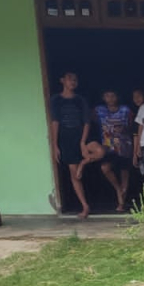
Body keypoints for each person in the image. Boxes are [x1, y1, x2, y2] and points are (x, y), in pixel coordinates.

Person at [48, 71, 102, 219]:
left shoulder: (80, 100)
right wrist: (55, 144)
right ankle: (85, 206)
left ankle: (83, 163)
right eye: (69, 79)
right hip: (66, 139)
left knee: (99, 151)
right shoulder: (56, 100)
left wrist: (83, 142)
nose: (72, 82)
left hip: (82, 136)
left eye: (75, 80)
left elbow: (86, 122)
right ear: (62, 80)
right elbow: (55, 122)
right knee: (74, 175)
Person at [95, 89, 135, 212]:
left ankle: (121, 202)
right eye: (107, 96)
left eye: (113, 95)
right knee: (105, 168)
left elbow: (132, 126)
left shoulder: (125, 110)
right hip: (108, 147)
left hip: (124, 147)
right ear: (103, 97)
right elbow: (91, 122)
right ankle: (118, 189)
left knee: (124, 174)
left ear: (117, 97)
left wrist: (123, 130)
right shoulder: (99, 110)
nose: (110, 98)